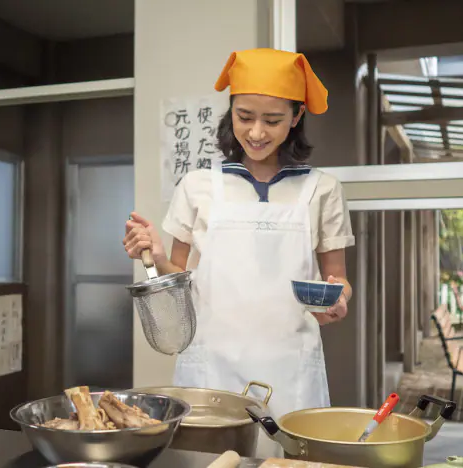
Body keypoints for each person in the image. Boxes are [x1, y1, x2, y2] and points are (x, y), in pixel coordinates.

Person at [123, 48, 355, 455]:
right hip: (212, 367)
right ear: (230, 111)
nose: (257, 132)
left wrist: (337, 301)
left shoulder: (322, 189)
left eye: (273, 120)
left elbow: (339, 280)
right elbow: (178, 279)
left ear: (297, 117)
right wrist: (156, 256)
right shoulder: (197, 186)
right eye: (244, 116)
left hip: (290, 369)